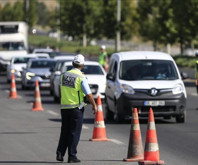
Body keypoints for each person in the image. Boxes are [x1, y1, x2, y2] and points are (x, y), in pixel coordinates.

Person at [56, 54, 97, 163]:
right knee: (74, 133)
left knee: (64, 131)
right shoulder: (81, 77)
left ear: (73, 63)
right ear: (82, 65)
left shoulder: (63, 75)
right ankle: (72, 156)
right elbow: (88, 94)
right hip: (76, 108)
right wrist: (94, 105)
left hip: (64, 107)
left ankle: (60, 153)